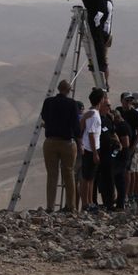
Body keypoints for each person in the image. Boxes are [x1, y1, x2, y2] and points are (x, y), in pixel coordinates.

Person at [38, 0, 111, 88]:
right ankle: (99, 64)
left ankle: (99, 64)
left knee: (96, 38)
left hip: (95, 12)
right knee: (97, 38)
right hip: (101, 11)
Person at [40, 79, 83, 212]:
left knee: (52, 175)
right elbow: (76, 125)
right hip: (67, 143)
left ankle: (50, 206)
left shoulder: (48, 102)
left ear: (58, 89)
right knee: (69, 173)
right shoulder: (72, 104)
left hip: (50, 142)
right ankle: (71, 206)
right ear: (69, 90)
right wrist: (78, 138)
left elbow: (44, 116)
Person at [79, 89, 103, 212]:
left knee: (91, 177)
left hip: (92, 148)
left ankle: (90, 202)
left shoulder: (91, 113)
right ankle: (86, 203)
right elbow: (91, 134)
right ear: (100, 100)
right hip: (90, 149)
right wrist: (94, 153)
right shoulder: (93, 115)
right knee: (87, 178)